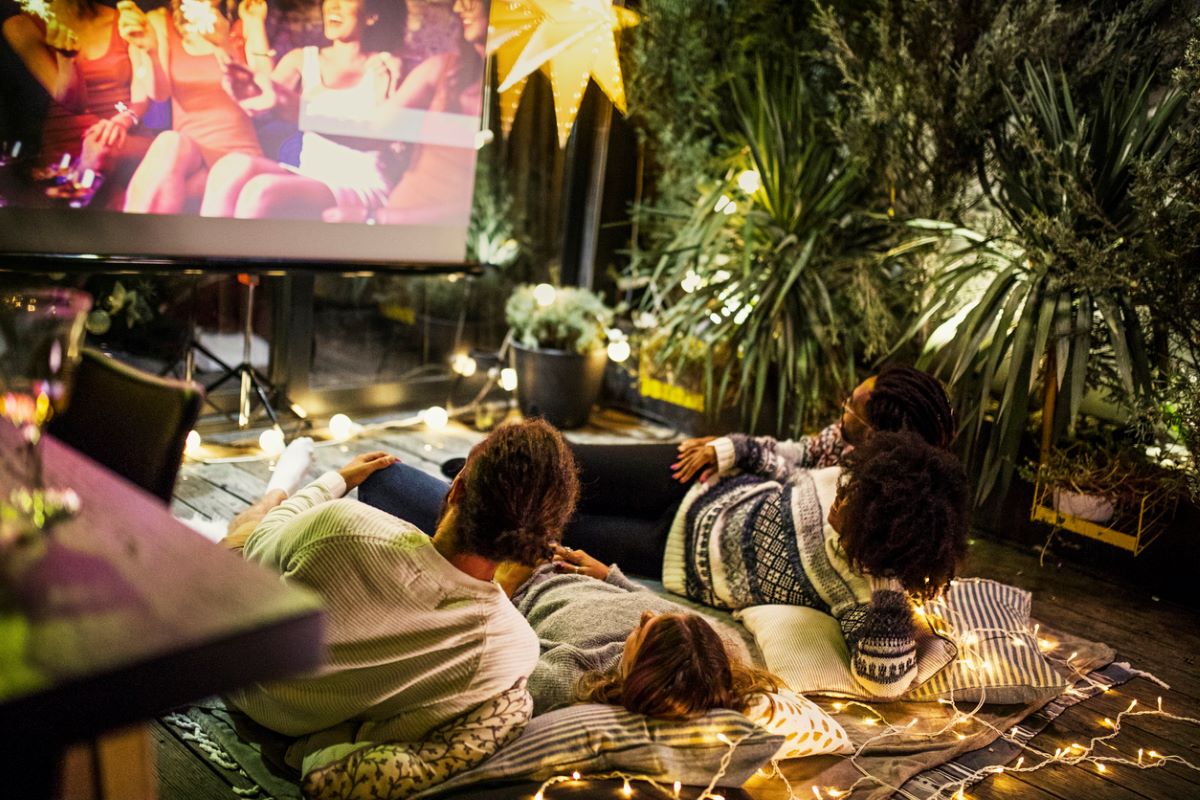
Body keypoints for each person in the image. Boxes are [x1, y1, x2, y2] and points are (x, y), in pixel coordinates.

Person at [220, 418, 580, 769]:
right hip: (297, 725)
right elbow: (394, 732)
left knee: (247, 530)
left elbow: (257, 551)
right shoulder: (512, 649)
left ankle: (277, 488)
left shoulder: (345, 524)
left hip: (233, 669)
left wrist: (335, 481)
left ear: (457, 488)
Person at [199, 0, 406, 220]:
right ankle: (204, 253)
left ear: (370, 16)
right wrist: (242, 81)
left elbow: (387, 136)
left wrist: (303, 113)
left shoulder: (385, 66)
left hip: (361, 180)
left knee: (261, 191)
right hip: (309, 173)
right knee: (230, 167)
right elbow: (265, 97)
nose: (333, 6)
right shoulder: (302, 59)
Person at [671, 364, 956, 484]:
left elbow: (800, 484)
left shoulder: (866, 483)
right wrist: (726, 447)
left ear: (872, 435)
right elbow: (802, 452)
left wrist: (738, 450)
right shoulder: (844, 437)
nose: (841, 408)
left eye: (849, 408)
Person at [116, 0, 264, 213]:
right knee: (169, 141)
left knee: (177, 190)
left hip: (237, 155)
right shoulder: (161, 22)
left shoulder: (245, 20)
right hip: (187, 156)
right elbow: (159, 93)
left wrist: (224, 45)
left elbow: (261, 98)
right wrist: (150, 52)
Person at [3, 0, 152, 201]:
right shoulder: (22, 26)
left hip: (123, 140)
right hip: (66, 151)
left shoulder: (121, 19)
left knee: (105, 151)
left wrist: (122, 121)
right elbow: (75, 103)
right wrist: (66, 60)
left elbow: (142, 96)